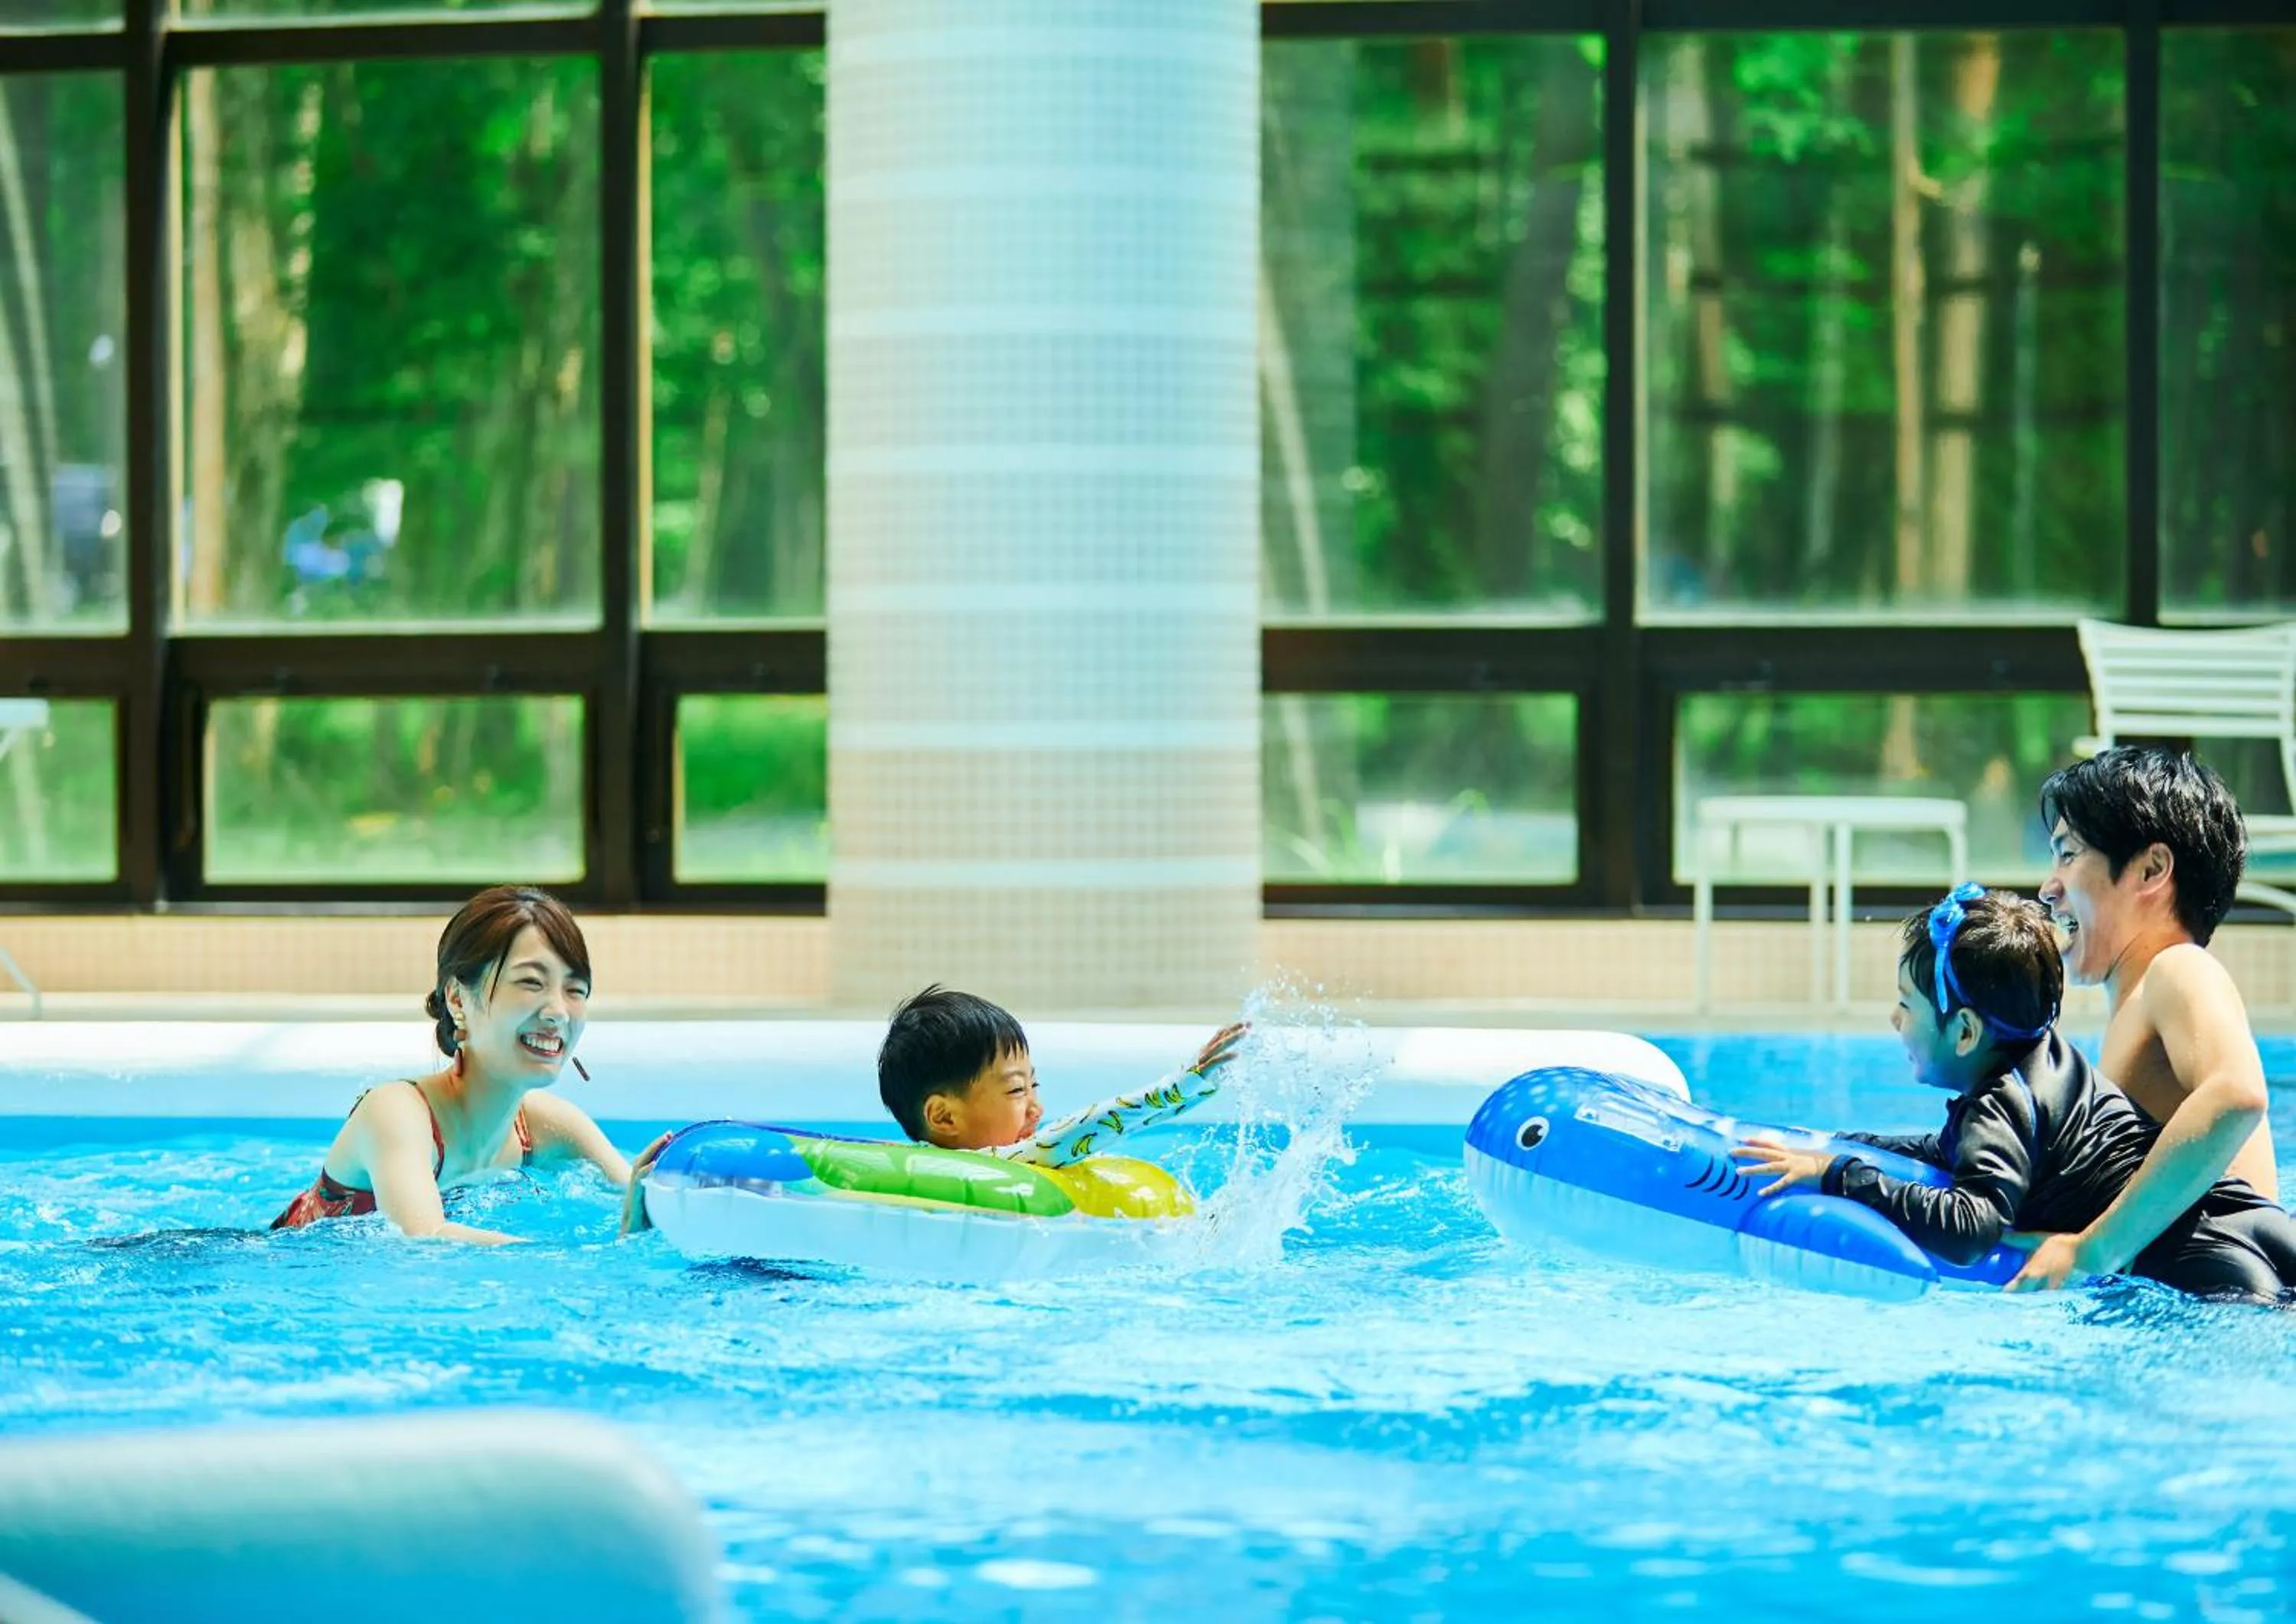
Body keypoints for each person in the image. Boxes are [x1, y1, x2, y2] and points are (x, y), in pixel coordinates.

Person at [1733, 885, 2295, 1304]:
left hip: (2207, 1269)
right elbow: (1951, 1151)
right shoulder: (2049, 1062)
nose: (1894, 1018)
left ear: (1966, 1033)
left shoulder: (1998, 1106)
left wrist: (1838, 1176)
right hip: (2252, 1222)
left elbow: (1967, 1228)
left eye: (1907, 1005)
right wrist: (1838, 1145)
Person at [618, 986, 1246, 1234]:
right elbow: (1088, 1128)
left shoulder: (903, 1169)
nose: (1037, 1107)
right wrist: (1187, 1087)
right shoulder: (1021, 1159)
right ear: (944, 1118)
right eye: (1017, 1090)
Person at [2008, 747, 2276, 1292]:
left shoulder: (2179, 969)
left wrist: (2095, 1249)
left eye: (2067, 854)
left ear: (2151, 869)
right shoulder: (2140, 1009)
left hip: (2234, 1299)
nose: (2047, 887)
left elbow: (2237, 1095)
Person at [271, 885, 631, 1243]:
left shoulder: (544, 1125)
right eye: (531, 983)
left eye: (575, 990)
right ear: (458, 999)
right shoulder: (395, 1111)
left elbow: (639, 1199)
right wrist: (569, 1257)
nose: (557, 1013)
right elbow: (425, 1237)